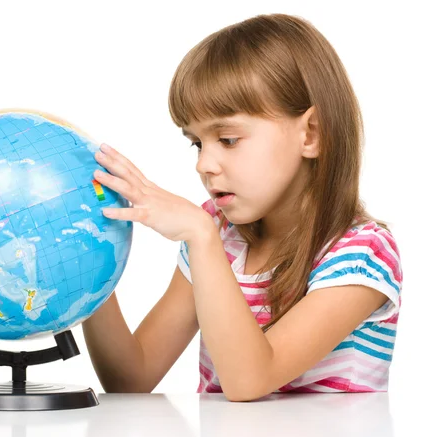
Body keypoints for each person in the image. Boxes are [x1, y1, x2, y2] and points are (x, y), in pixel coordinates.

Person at [81, 13, 403, 402]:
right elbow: (131, 378)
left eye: (228, 139)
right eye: (197, 143)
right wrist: (88, 259)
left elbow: (250, 380)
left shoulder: (361, 254)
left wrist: (200, 236)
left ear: (311, 134)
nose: (203, 164)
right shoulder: (220, 236)